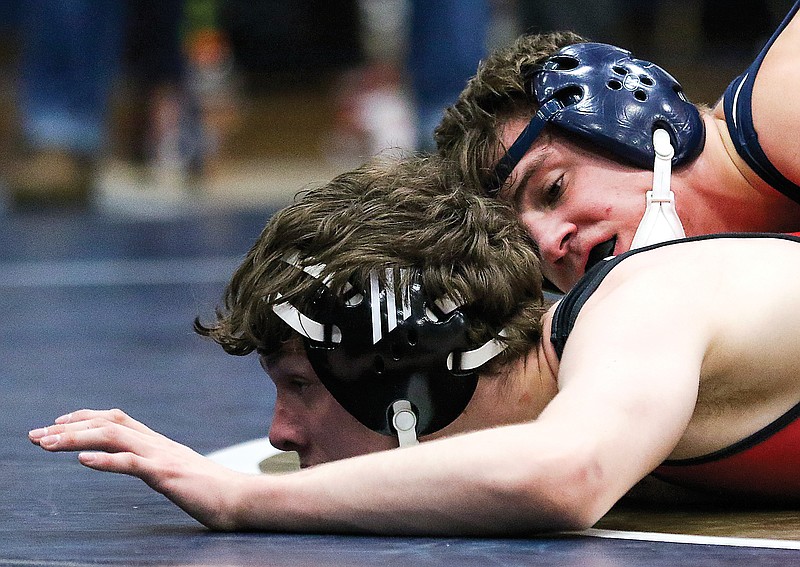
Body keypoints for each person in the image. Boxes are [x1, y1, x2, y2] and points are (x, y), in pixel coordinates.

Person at [29, 154, 800, 535]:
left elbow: (568, 473)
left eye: (298, 384)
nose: (278, 433)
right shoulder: (603, 382)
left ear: (403, 362)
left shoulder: (644, 303)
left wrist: (244, 498)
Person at [434, 1, 800, 292]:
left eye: (553, 189)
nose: (548, 245)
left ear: (637, 113)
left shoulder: (784, 106)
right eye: (525, 246)